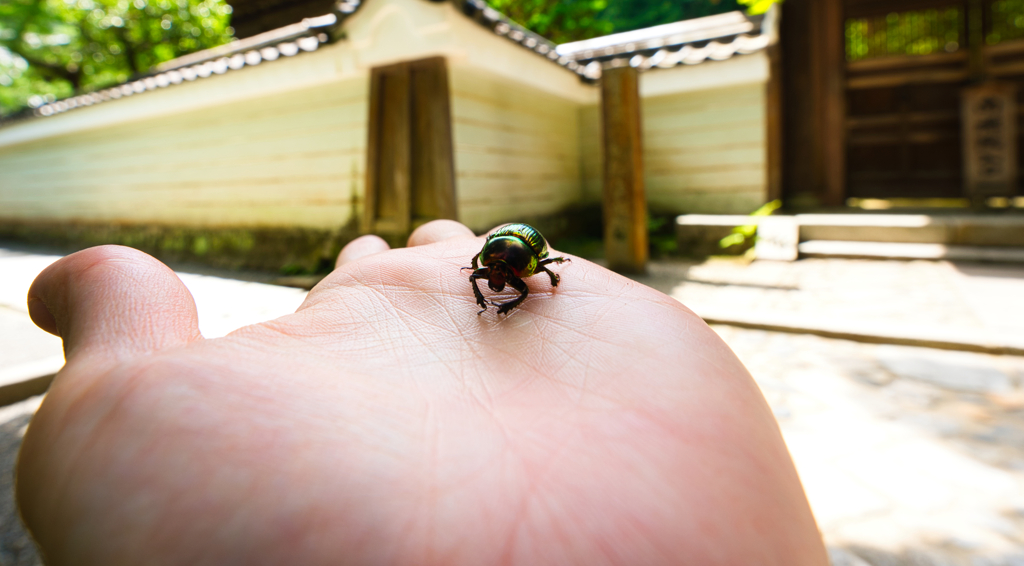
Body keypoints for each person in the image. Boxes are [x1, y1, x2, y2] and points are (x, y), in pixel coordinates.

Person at [18, 220, 828, 565]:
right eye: (498, 270)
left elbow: (537, 273)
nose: (502, 276)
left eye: (510, 269)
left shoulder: (527, 261)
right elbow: (485, 270)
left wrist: (522, 283)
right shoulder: (489, 263)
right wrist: (490, 296)